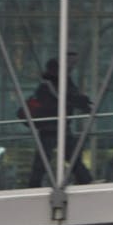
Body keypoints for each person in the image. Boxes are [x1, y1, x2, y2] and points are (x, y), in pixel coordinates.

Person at [22, 57, 94, 188]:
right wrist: (86, 105)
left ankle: (34, 184)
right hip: (55, 127)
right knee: (71, 157)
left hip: (50, 127)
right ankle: (85, 181)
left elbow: (69, 97)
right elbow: (71, 97)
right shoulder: (58, 84)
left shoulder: (46, 85)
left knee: (45, 159)